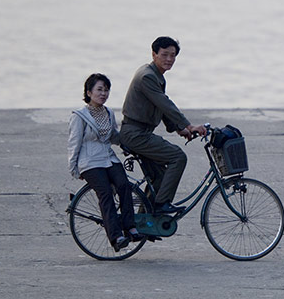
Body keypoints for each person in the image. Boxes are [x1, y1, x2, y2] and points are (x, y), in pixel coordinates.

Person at [119, 36, 207, 214]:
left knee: (160, 176)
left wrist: (178, 129)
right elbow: (165, 104)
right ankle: (161, 204)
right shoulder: (148, 77)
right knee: (178, 157)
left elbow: (160, 106)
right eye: (165, 54)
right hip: (136, 134)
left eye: (173, 55)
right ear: (154, 54)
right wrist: (188, 126)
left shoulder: (154, 74)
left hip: (139, 132)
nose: (169, 59)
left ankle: (146, 220)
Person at [68, 73, 143, 251]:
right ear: (89, 92)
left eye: (106, 90)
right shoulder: (79, 116)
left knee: (125, 186)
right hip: (90, 162)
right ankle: (116, 237)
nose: (103, 93)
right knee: (106, 195)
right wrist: (74, 168)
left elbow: (113, 136)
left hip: (108, 158)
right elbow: (74, 142)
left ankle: (130, 227)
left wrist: (128, 145)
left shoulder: (108, 112)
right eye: (99, 90)